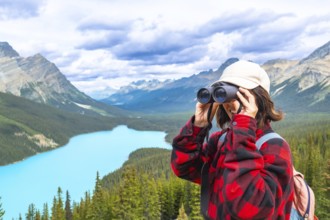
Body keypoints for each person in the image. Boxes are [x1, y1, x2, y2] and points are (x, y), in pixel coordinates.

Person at [171, 60, 294, 219]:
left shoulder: (275, 147)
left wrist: (243, 130)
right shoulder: (221, 140)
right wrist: (198, 126)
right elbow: (185, 168)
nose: (229, 104)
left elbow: (248, 210)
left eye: (238, 95)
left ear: (258, 99)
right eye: (224, 95)